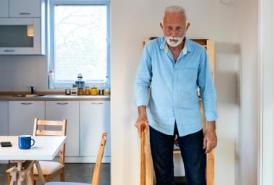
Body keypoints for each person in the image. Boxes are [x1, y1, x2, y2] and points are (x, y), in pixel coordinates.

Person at [135, 5, 217, 185]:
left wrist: (211, 129)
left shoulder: (199, 53)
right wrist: (141, 113)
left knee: (196, 177)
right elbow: (142, 82)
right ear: (162, 26)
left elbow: (208, 90)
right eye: (169, 27)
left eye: (178, 28)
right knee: (163, 177)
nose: (173, 33)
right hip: (159, 121)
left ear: (187, 27)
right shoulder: (150, 50)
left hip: (190, 123)